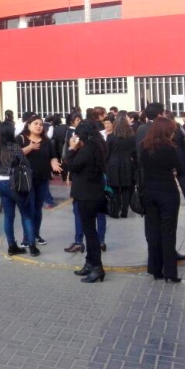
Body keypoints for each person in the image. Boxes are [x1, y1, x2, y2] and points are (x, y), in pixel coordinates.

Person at [139, 116, 185, 283]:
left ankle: (155, 269)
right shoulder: (170, 148)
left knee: (153, 231)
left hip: (149, 191)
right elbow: (181, 170)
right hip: (167, 192)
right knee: (168, 232)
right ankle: (170, 271)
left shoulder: (143, 146)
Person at [67, 121, 108, 283]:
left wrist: (71, 149)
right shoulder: (96, 147)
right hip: (94, 194)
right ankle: (89, 263)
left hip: (86, 196)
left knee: (90, 232)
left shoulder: (85, 151)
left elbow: (72, 166)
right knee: (90, 230)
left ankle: (97, 267)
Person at [17, 115, 63, 248]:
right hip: (26, 180)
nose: (38, 126)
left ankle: (36, 234)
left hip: (42, 179)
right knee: (28, 209)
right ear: (29, 125)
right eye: (36, 123)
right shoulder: (21, 139)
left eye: (41, 124)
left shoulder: (46, 141)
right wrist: (30, 147)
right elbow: (15, 155)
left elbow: (53, 156)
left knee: (37, 209)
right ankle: (27, 237)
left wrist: (54, 163)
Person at [0, 121, 32, 256]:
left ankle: (11, 245)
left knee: (9, 216)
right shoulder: (13, 147)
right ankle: (32, 246)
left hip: (1, 183)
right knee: (26, 215)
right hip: (14, 183)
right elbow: (24, 162)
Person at [106, 115, 137, 218]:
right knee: (126, 189)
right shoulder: (132, 137)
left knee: (114, 189)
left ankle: (115, 210)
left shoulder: (111, 137)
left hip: (113, 164)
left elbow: (107, 153)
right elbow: (134, 153)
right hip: (127, 164)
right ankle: (124, 212)